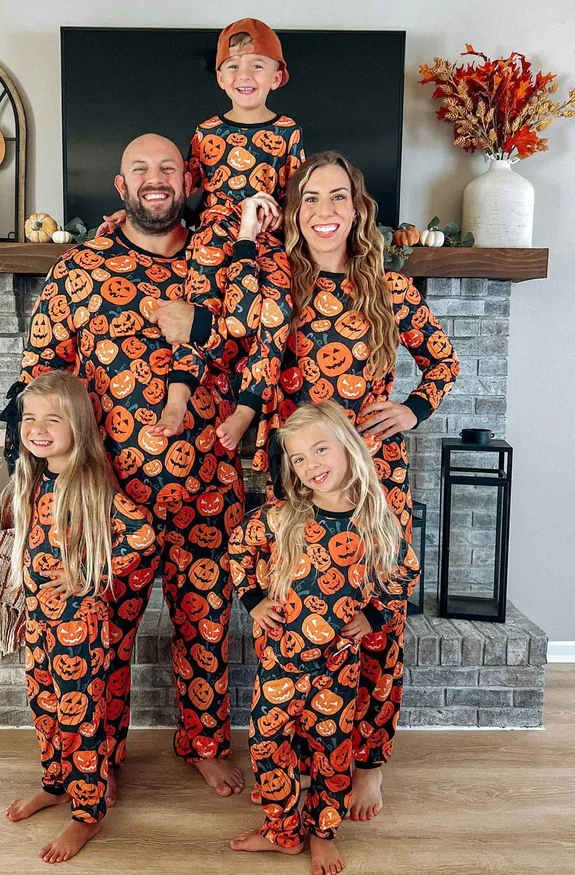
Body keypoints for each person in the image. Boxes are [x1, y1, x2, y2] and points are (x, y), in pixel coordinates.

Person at [3, 133, 245, 798]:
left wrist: (204, 330)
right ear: (121, 187)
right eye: (139, 168)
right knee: (101, 638)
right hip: (110, 500)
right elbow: (40, 376)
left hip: (206, 488)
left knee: (207, 626)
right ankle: (95, 759)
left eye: (167, 167)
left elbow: (259, 346)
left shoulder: (223, 262)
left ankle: (204, 743)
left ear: (189, 179)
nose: (154, 179)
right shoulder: (80, 269)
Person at [239, 151, 459, 819]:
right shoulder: (279, 285)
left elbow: (442, 362)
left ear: (358, 210)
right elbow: (235, 338)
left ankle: (368, 763)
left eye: (339, 197)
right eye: (310, 198)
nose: (325, 211)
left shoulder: (390, 291)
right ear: (294, 212)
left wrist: (413, 408)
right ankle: (299, 762)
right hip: (299, 479)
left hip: (375, 480)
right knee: (297, 614)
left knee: (376, 621)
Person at [228, 401, 417, 875]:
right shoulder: (283, 516)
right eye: (298, 458)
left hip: (337, 667)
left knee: (333, 757)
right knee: (265, 745)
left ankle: (322, 834)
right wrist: (253, 600)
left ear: (349, 448)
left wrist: (374, 616)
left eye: (320, 449)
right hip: (280, 664)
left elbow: (404, 573)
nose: (311, 465)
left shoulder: (375, 522)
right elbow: (238, 548)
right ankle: (282, 831)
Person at [100, 18, 304, 452]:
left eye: (256, 66)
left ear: (277, 76)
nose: (244, 76)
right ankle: (177, 400)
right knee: (196, 314)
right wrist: (126, 210)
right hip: (213, 238)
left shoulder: (288, 132)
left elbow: (297, 200)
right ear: (219, 78)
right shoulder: (206, 133)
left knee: (276, 315)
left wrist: (274, 220)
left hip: (265, 241)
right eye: (233, 67)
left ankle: (249, 405)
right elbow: (180, 189)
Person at [4, 371, 157, 864]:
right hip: (39, 625)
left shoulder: (90, 483)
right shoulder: (32, 477)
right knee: (44, 706)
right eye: (30, 418)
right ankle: (54, 783)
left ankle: (87, 813)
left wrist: (89, 576)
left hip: (79, 629)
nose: (38, 428)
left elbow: (143, 537)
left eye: (53, 418)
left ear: (79, 425)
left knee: (80, 716)